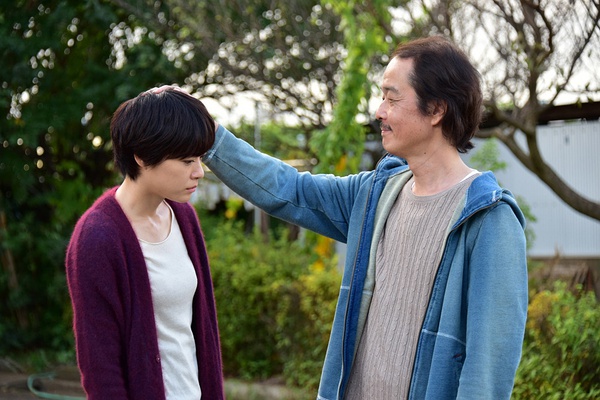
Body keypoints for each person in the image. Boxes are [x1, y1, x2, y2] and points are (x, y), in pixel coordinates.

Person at [200, 35, 528, 399]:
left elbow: (487, 372)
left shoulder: (488, 218)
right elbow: (290, 189)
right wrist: (210, 137)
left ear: (436, 110)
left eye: (392, 98)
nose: (379, 111)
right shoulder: (375, 195)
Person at [65, 88, 225, 399]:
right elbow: (100, 369)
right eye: (187, 161)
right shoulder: (97, 238)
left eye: (200, 159)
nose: (199, 172)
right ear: (141, 156)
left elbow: (202, 331)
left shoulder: (184, 217)